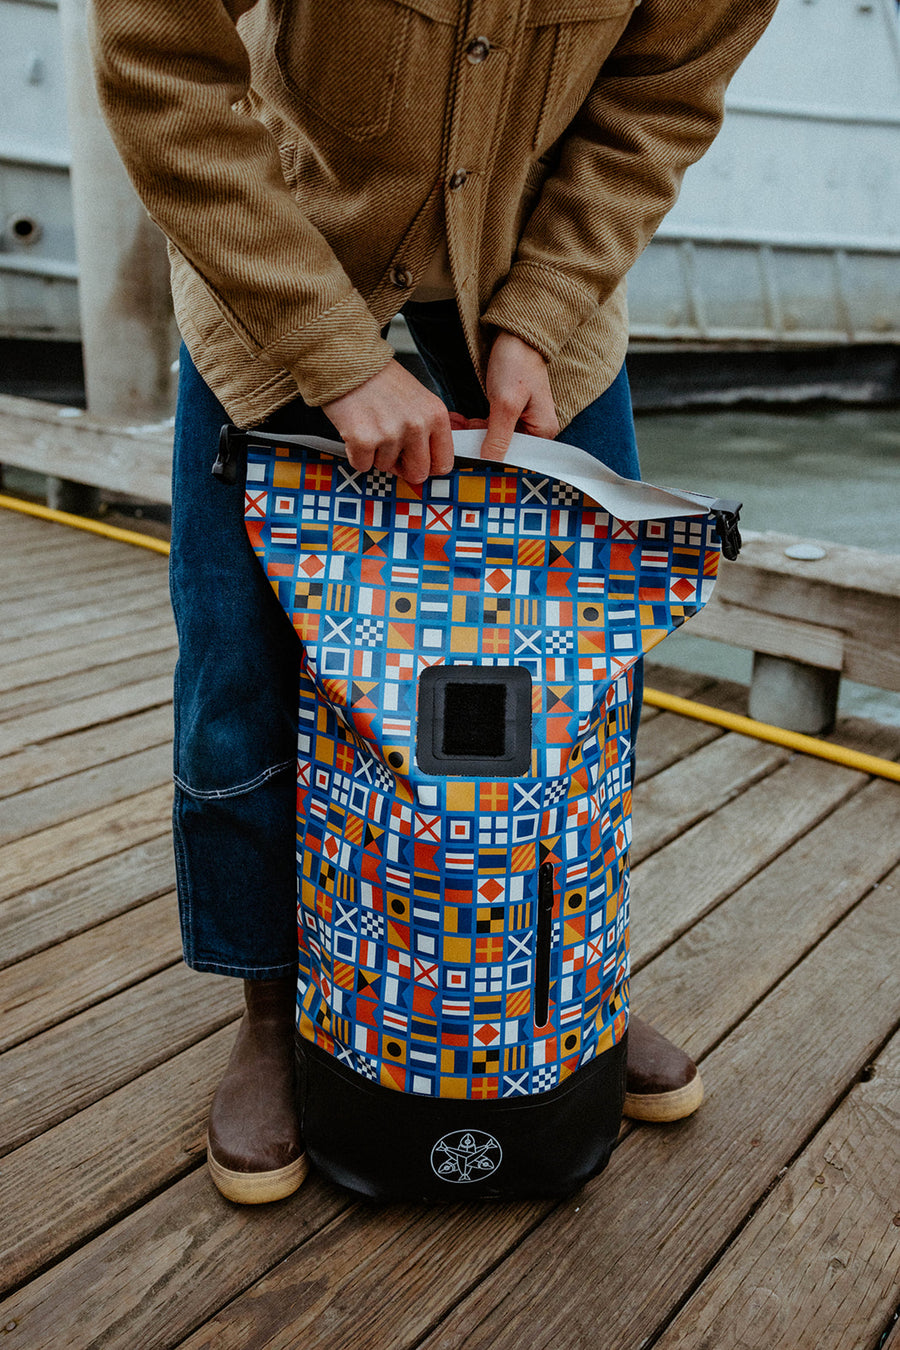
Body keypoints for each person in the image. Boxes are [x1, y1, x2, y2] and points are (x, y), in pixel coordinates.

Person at [90, 0, 777, 1204]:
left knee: (573, 708)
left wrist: (545, 310)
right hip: (283, 270)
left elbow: (661, 92)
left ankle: (565, 998)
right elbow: (160, 59)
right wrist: (333, 350)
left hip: (535, 297)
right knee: (241, 682)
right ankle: (273, 1005)